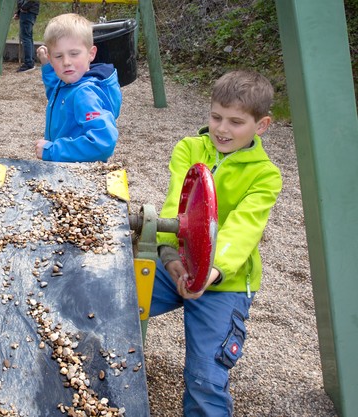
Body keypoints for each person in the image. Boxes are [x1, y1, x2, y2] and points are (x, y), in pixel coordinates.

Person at [150, 70, 282, 416]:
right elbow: (175, 207)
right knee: (112, 304)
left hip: (225, 282)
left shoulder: (265, 175)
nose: (222, 129)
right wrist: (169, 255)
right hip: (176, 265)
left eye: (236, 122)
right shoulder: (190, 149)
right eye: (216, 117)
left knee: (206, 379)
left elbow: (243, 229)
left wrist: (212, 271)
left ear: (262, 124)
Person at [35, 13, 121, 162]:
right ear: (50, 58)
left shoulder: (85, 94)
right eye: (58, 56)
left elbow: (103, 143)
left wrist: (52, 150)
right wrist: (48, 67)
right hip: (68, 166)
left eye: (74, 54)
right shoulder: (70, 83)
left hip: (78, 174)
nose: (66, 62)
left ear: (91, 54)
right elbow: (57, 95)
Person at [13, 0, 39, 72]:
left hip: (27, 11)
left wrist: (23, 8)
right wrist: (19, 11)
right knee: (28, 37)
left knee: (26, 37)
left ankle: (29, 63)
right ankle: (30, 61)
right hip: (28, 11)